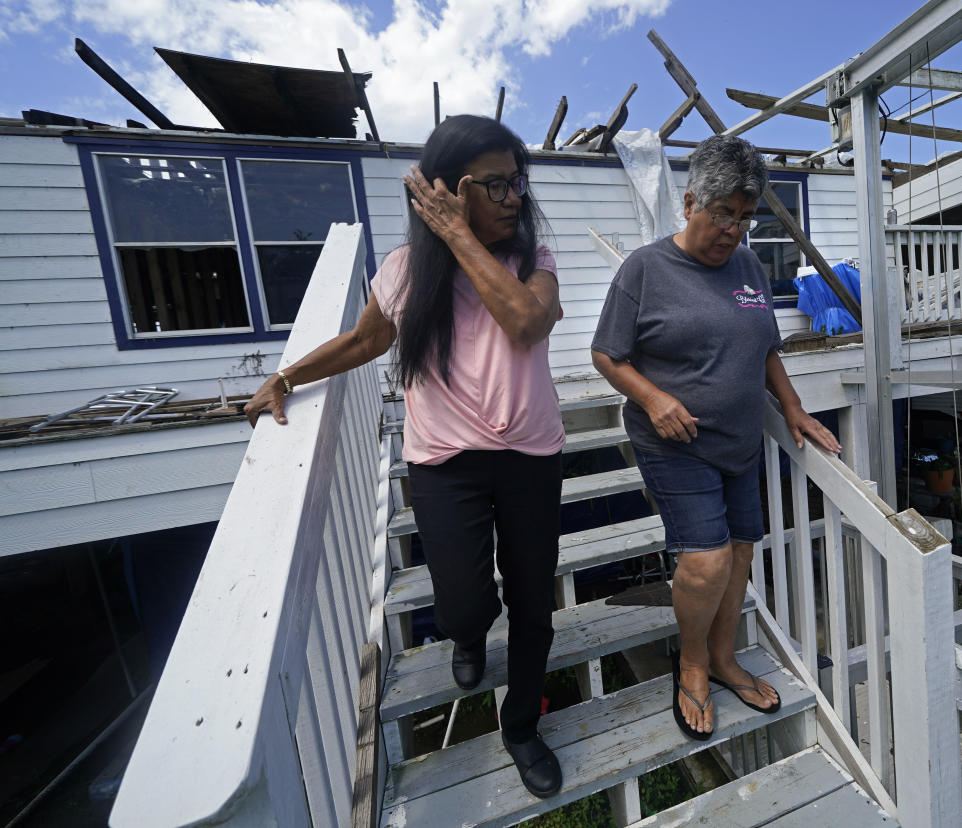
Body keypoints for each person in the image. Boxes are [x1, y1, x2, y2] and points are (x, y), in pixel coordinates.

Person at [244, 115, 565, 798]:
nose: (515, 199)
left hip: (531, 455)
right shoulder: (403, 271)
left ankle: (521, 727)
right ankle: (470, 634)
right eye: (497, 186)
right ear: (448, 190)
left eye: (518, 183)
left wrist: (457, 235)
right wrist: (288, 376)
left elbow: (526, 322)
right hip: (444, 463)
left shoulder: (533, 260)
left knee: (534, 604)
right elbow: (364, 342)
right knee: (463, 600)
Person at [590, 135, 841, 741]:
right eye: (722, 212)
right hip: (673, 441)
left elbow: (765, 348)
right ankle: (694, 662)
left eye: (745, 216)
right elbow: (605, 353)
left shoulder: (750, 266)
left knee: (742, 553)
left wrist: (794, 407)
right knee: (705, 561)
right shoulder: (644, 269)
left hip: (739, 441)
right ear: (689, 202)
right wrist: (652, 397)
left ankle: (725, 658)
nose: (733, 227)